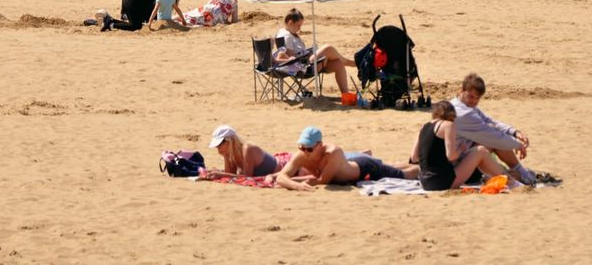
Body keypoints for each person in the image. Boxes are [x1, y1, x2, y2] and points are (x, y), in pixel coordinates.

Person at [449, 74, 535, 185]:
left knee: (492, 138)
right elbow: (492, 136)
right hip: (458, 167)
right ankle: (516, 178)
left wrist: (514, 132)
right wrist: (518, 145)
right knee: (492, 141)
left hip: (462, 157)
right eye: (471, 96)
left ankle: (519, 173)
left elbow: (489, 122)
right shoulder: (462, 113)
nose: (474, 101)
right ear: (462, 90)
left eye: (477, 98)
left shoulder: (462, 105)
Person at [273, 126, 419, 191]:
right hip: (354, 163)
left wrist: (292, 181)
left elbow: (323, 181)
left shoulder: (332, 153)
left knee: (406, 174)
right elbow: (281, 177)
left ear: (320, 145)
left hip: (365, 169)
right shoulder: (302, 155)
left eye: (309, 148)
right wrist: (295, 184)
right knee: (392, 165)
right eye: (301, 147)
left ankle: (424, 167)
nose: (305, 152)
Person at [411, 101, 510, 191]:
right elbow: (451, 156)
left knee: (477, 153)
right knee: (481, 151)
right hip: (440, 181)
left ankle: (499, 178)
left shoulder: (424, 127)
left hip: (425, 182)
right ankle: (510, 181)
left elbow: (414, 158)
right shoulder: (447, 125)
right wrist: (461, 149)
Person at [273, 9, 354, 95]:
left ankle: (346, 95)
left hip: (305, 63)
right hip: (303, 67)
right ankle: (351, 63)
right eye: (298, 25)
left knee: (338, 64)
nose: (299, 28)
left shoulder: (285, 32)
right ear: (290, 22)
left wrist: (309, 52)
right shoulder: (286, 36)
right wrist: (308, 55)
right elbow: (292, 58)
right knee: (328, 48)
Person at [202, 125, 288, 179]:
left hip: (284, 167)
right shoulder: (229, 153)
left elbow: (247, 178)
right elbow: (230, 174)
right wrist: (216, 173)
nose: (218, 149)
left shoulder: (248, 149)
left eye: (219, 145)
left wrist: (220, 174)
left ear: (230, 141)